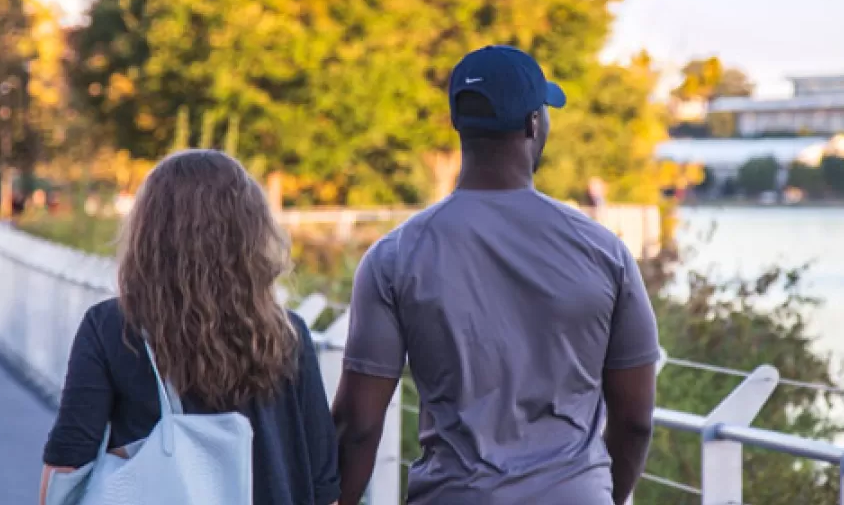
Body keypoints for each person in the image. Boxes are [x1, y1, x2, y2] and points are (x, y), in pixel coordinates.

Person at [331, 46, 661, 505]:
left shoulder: (394, 257)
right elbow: (636, 419)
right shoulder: (605, 254)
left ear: (458, 124)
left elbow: (358, 424)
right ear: (533, 123)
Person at [39, 150, 340, 505]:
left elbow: (69, 461)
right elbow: (323, 481)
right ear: (251, 232)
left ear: (148, 232)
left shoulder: (112, 327)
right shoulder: (286, 334)